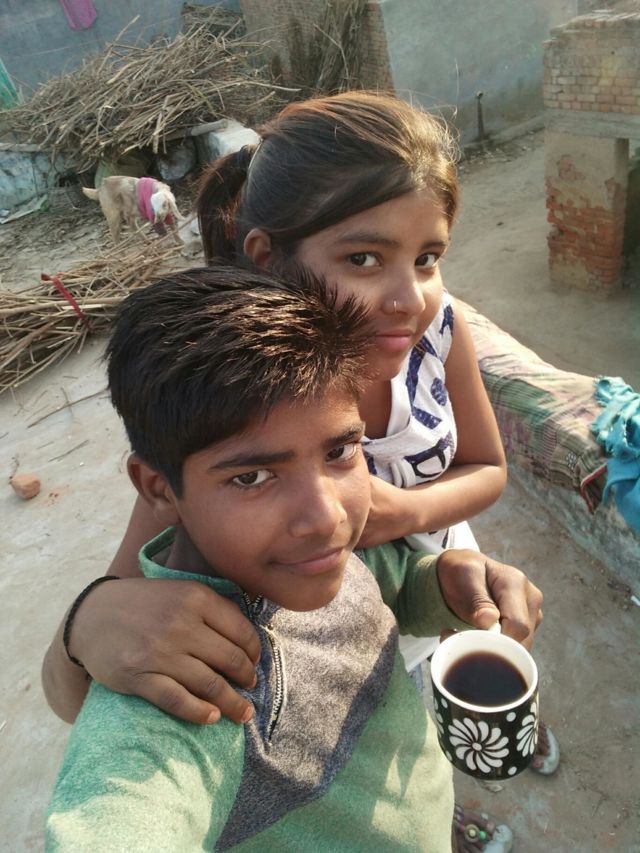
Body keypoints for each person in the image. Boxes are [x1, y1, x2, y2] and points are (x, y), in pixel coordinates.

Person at [41, 92, 551, 850]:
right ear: (266, 258)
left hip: (421, 579)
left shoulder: (437, 331)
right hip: (323, 622)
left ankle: (432, 808)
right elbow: (90, 708)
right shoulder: (225, 415)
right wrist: (86, 623)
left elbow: (485, 465)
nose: (406, 298)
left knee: (406, 729)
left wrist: (406, 524)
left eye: (428, 257)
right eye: (363, 258)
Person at [49, 264, 494, 850]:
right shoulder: (175, 688)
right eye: (252, 477)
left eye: (340, 451)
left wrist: (440, 584)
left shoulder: (311, 560)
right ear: (159, 488)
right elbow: (117, 816)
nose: (327, 518)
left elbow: (380, 590)